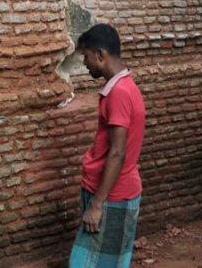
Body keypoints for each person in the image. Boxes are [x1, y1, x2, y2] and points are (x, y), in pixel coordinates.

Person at [69, 24, 146, 268]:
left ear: (101, 54)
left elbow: (117, 152)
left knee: (84, 263)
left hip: (112, 194)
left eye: (86, 56)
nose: (85, 63)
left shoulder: (120, 93)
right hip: (108, 190)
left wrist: (98, 204)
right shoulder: (122, 87)